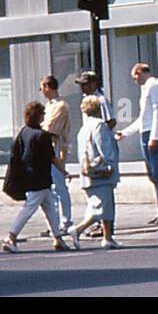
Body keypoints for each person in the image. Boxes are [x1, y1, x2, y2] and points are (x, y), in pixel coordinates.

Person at [2, 102, 71, 253]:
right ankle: (11, 237)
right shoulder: (42, 136)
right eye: (42, 114)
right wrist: (64, 171)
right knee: (29, 209)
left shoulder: (23, 132)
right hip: (40, 179)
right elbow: (52, 157)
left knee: (50, 208)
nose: (44, 117)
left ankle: (58, 238)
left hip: (29, 177)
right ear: (38, 116)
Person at [115, 62, 158, 225]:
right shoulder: (146, 88)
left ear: (140, 72)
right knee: (152, 175)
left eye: (135, 77)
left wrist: (154, 136)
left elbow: (157, 111)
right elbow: (143, 118)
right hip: (145, 133)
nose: (135, 81)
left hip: (151, 134)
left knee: (157, 173)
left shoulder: (153, 86)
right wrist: (125, 132)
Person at [67, 95, 121, 250]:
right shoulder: (100, 126)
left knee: (104, 205)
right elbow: (104, 148)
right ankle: (77, 230)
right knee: (100, 208)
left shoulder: (83, 128)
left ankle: (108, 237)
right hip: (100, 173)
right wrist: (110, 165)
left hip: (88, 174)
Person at [73, 71, 115, 237]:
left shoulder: (100, 100)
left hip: (97, 145)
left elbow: (111, 120)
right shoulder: (87, 101)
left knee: (103, 194)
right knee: (99, 195)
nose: (82, 87)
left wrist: (104, 137)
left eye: (85, 84)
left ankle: (104, 230)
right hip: (91, 146)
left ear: (94, 83)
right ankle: (103, 230)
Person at [40, 76, 73, 234]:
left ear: (48, 87)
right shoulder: (49, 105)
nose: (42, 91)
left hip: (56, 150)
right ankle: (55, 222)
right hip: (47, 151)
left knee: (59, 187)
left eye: (42, 88)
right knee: (51, 189)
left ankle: (65, 221)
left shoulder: (61, 106)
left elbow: (50, 128)